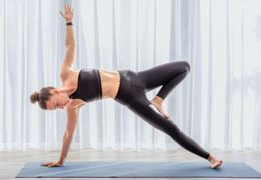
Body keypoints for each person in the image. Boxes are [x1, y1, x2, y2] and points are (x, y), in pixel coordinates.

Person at [30, 4, 223, 169]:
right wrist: (61, 160)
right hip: (131, 98)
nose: (61, 107)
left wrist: (69, 22)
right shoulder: (73, 106)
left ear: (54, 91)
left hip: (135, 77)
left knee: (184, 67)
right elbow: (68, 134)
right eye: (56, 109)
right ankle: (210, 157)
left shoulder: (66, 74)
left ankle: (158, 99)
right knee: (171, 129)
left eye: (56, 104)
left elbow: (70, 46)